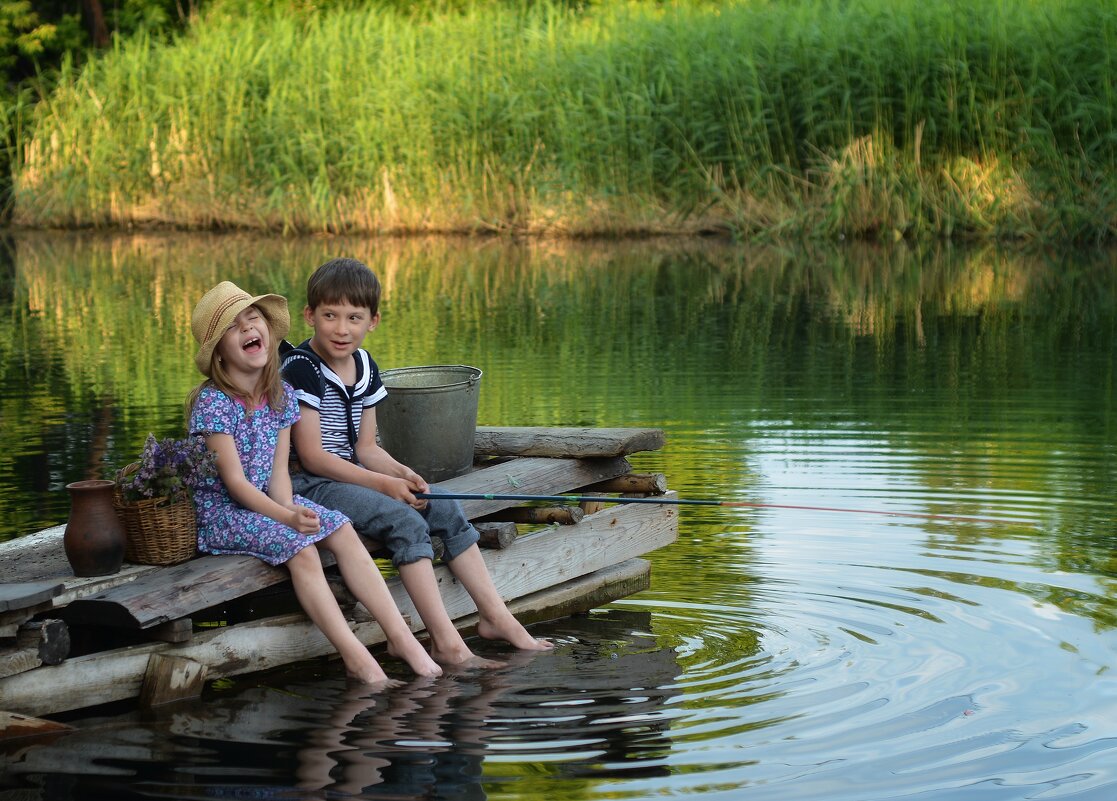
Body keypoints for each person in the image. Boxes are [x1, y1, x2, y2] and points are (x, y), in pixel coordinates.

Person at [280, 257, 552, 666]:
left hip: (353, 477)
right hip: (310, 485)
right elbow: (315, 458)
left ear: (373, 320)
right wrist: (384, 486)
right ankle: (445, 643)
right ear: (309, 316)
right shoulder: (301, 368)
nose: (341, 328)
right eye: (330, 315)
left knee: (440, 502)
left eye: (354, 317)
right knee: (405, 520)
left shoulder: (365, 365)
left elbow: (367, 449)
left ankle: (497, 617)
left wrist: (404, 474)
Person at [187, 280, 442, 685]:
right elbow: (235, 483)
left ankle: (403, 640)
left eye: (253, 319)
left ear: (268, 332)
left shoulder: (281, 394)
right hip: (226, 513)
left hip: (270, 504)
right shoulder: (214, 403)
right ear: (219, 350)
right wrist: (286, 519)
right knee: (303, 551)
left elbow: (278, 474)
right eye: (233, 327)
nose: (248, 328)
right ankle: (357, 658)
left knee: (340, 528)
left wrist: (290, 509)